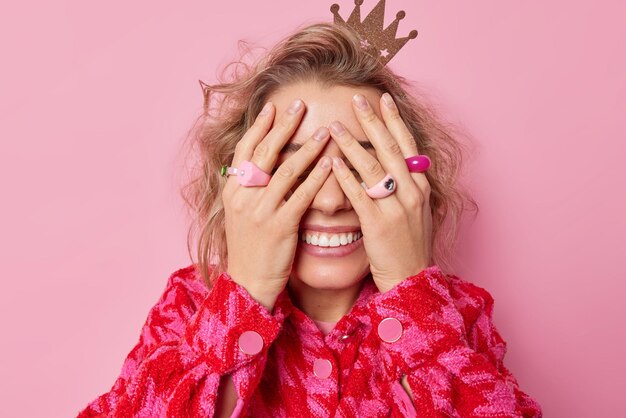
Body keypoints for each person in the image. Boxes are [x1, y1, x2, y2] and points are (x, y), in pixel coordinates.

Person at [77, 20, 542, 417]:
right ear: (239, 189)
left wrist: (411, 293)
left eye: (363, 165)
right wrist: (245, 296)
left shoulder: (454, 313)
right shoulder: (190, 307)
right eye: (293, 167)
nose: (330, 201)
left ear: (413, 185)